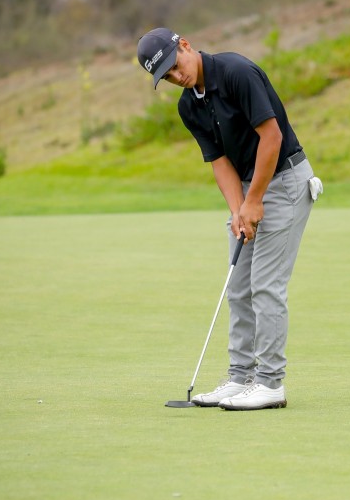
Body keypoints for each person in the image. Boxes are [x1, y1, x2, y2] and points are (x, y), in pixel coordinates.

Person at [137, 28, 322, 411]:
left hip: (285, 180)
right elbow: (219, 162)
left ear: (185, 45)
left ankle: (270, 383)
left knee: (265, 285)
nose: (177, 76)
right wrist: (238, 210)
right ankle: (240, 377)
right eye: (167, 77)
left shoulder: (237, 72)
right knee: (238, 288)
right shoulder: (189, 107)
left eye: (175, 66)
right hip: (249, 187)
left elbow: (271, 137)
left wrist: (253, 201)